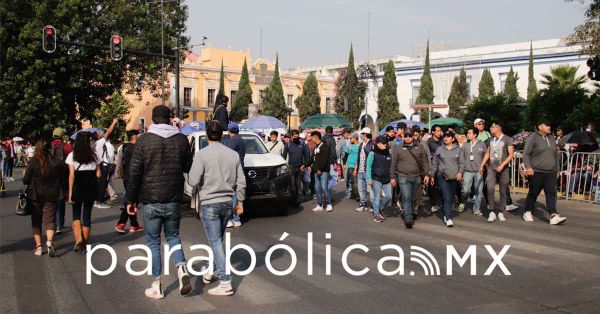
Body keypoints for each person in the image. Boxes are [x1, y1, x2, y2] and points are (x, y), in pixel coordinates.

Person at [126, 105, 193, 299]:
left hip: (150, 199)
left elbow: (135, 172)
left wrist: (131, 199)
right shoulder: (181, 140)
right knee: (173, 236)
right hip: (173, 198)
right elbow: (188, 166)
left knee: (154, 242)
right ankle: (181, 268)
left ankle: (156, 284)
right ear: (169, 118)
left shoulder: (144, 140)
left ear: (153, 119)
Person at [188, 120, 246, 296]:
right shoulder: (233, 155)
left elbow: (193, 180)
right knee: (217, 240)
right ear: (223, 135)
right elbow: (241, 181)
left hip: (210, 202)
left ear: (206, 135)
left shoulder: (201, 155)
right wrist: (240, 202)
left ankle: (225, 281)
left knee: (215, 241)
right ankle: (209, 271)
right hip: (228, 202)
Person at [23, 139, 64, 256]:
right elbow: (63, 176)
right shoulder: (56, 162)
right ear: (49, 149)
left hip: (35, 195)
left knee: (36, 220)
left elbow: (26, 181)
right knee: (50, 220)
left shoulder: (33, 162)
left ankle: (39, 247)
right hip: (52, 194)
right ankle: (49, 242)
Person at [522, 121, 567, 225]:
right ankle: (527, 212)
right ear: (540, 127)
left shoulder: (551, 138)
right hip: (536, 171)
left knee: (551, 192)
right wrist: (528, 167)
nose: (549, 127)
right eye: (547, 125)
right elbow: (525, 154)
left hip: (550, 172)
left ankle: (553, 215)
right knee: (534, 193)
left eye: (549, 125)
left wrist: (557, 169)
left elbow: (555, 155)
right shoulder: (533, 138)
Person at [66, 132, 100, 253]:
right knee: (87, 214)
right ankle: (84, 243)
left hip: (77, 187)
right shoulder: (94, 156)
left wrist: (70, 193)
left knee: (76, 213)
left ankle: (78, 240)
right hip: (90, 187)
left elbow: (71, 175)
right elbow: (99, 174)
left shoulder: (72, 155)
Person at [390, 128, 430, 228]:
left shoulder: (420, 147)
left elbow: (425, 162)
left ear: (413, 136)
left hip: (417, 177)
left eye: (410, 136)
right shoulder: (398, 148)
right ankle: (408, 217)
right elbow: (393, 163)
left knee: (414, 198)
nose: (407, 138)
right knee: (406, 197)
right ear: (403, 136)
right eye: (406, 136)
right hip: (403, 176)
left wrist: (427, 175)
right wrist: (392, 177)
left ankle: (409, 212)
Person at [482, 122, 514, 223]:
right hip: (491, 168)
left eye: (492, 127)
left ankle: (501, 211)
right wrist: (482, 164)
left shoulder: (507, 139)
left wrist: (502, 165)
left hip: (503, 169)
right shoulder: (490, 140)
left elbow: (511, 155)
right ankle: (491, 211)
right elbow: (488, 153)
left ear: (498, 128)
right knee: (490, 188)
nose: (490, 128)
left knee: (503, 190)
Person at [432, 131, 464, 227]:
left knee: (451, 196)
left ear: (453, 139)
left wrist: (460, 173)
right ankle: (448, 217)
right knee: (447, 196)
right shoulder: (440, 149)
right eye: (445, 137)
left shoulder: (458, 149)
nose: (446, 138)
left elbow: (462, 163)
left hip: (454, 177)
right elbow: (435, 163)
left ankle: (446, 211)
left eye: (448, 137)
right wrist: (431, 176)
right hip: (442, 176)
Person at [114, 130, 143, 233]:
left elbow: (120, 162)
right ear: (134, 136)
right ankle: (121, 223)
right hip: (134, 177)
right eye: (138, 135)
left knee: (131, 200)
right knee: (131, 200)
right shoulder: (135, 148)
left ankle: (134, 224)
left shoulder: (125, 147)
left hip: (127, 177)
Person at [458, 128, 487, 216]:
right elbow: (461, 158)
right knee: (465, 190)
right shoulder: (465, 145)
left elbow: (486, 156)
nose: (467, 134)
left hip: (479, 171)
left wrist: (483, 166)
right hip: (467, 171)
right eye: (467, 133)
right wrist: (461, 170)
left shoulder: (482, 144)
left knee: (478, 191)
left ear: (474, 135)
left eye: (469, 133)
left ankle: (476, 209)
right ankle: (462, 202)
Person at [224, 122, 246, 228]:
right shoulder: (241, 140)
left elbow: (228, 154)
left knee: (230, 194)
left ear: (229, 130)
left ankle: (230, 219)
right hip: (240, 168)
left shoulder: (233, 140)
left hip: (233, 169)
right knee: (237, 195)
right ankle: (236, 218)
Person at [366, 136, 393, 223]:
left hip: (386, 179)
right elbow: (368, 167)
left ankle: (379, 208)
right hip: (376, 178)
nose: (385, 145)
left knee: (389, 196)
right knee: (376, 198)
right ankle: (376, 215)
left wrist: (392, 178)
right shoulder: (372, 153)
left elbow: (391, 166)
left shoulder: (388, 154)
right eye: (383, 143)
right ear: (378, 144)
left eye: (386, 143)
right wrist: (369, 178)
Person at [51, 128, 72, 234]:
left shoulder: (49, 146)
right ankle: (60, 224)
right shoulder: (67, 146)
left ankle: (52, 223)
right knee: (61, 200)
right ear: (63, 136)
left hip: (50, 177)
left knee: (50, 201)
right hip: (63, 176)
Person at [94, 118, 118, 209]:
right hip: (103, 166)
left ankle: (99, 200)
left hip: (99, 165)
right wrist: (114, 122)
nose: (102, 134)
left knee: (101, 184)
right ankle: (99, 202)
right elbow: (109, 131)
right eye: (100, 133)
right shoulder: (100, 143)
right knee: (103, 185)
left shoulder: (96, 143)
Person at [283, 130, 310, 205]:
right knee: (292, 185)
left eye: (297, 136)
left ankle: (298, 200)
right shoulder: (287, 145)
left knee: (298, 185)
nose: (296, 137)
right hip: (291, 168)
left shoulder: (302, 144)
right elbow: (283, 157)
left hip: (300, 168)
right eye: (294, 136)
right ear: (291, 137)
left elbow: (306, 156)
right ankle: (293, 199)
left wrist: (305, 165)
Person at [310, 131, 332, 212]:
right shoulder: (316, 147)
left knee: (324, 187)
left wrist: (320, 169)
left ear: (315, 137)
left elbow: (324, 159)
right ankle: (320, 204)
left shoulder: (324, 146)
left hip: (324, 171)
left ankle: (329, 204)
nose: (311, 139)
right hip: (316, 171)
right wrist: (305, 165)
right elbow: (312, 158)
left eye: (311, 137)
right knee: (317, 188)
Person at [354, 128, 374, 212]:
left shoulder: (372, 144)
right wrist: (356, 168)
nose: (361, 136)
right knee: (361, 188)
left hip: (368, 170)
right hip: (361, 170)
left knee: (371, 189)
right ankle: (363, 204)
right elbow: (358, 157)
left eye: (362, 134)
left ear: (365, 134)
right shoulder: (361, 144)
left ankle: (373, 206)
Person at [427, 125, 444, 213]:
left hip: (442, 166)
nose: (439, 132)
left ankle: (442, 202)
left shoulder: (443, 141)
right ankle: (433, 204)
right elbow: (426, 154)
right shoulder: (429, 142)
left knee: (442, 186)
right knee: (432, 186)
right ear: (433, 132)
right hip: (432, 166)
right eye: (437, 131)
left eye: (440, 131)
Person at [343, 132, 360, 199]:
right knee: (353, 180)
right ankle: (355, 195)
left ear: (355, 138)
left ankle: (355, 194)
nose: (350, 140)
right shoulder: (349, 146)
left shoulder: (360, 146)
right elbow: (346, 156)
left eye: (351, 138)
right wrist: (344, 164)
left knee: (355, 181)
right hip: (351, 166)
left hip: (358, 165)